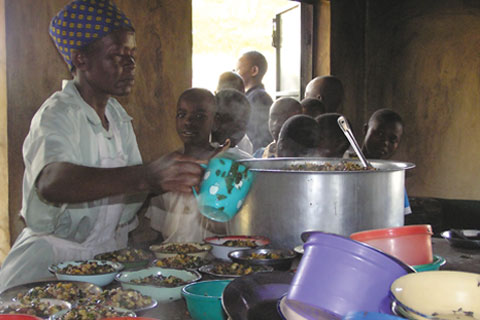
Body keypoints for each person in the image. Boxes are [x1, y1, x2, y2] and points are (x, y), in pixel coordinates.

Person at [0, 0, 204, 290]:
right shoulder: (58, 114)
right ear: (81, 60)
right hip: (46, 272)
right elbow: (52, 181)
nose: (131, 65)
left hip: (102, 268)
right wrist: (147, 175)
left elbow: (128, 186)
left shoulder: (117, 117)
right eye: (118, 56)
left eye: (133, 55)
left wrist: (176, 176)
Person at [145, 88, 226, 242]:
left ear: (215, 121)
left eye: (199, 116)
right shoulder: (167, 168)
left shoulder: (228, 166)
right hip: (172, 260)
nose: (188, 122)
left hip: (216, 261)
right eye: (182, 115)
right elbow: (158, 231)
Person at [235, 51, 274, 151]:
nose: (235, 75)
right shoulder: (251, 96)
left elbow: (257, 137)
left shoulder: (258, 98)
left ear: (254, 70)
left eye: (238, 70)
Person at [212, 89, 253, 157]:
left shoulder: (246, 162)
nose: (238, 129)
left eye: (243, 123)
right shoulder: (198, 157)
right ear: (214, 119)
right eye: (230, 120)